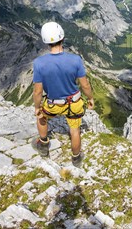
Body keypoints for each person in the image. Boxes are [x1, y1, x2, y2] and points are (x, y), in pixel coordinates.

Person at [31, 22, 94, 167]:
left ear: (45, 41)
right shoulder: (75, 60)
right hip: (74, 103)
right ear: (62, 37)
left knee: (42, 118)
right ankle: (76, 159)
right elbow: (85, 85)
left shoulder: (39, 63)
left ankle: (43, 146)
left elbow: (38, 91)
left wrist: (37, 107)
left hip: (53, 104)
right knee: (75, 129)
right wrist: (90, 98)